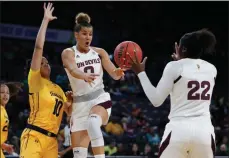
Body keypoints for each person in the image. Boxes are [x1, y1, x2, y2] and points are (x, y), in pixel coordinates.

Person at [129, 29, 217, 158]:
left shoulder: (174, 67)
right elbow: (191, 72)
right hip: (205, 133)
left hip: (179, 131)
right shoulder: (211, 69)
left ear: (184, 49)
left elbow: (156, 100)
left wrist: (140, 73)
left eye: (179, 47)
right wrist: (181, 61)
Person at [62, 13, 124, 158]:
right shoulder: (68, 53)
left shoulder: (100, 52)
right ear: (76, 35)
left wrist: (119, 72)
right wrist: (83, 75)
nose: (88, 37)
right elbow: (72, 69)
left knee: (93, 122)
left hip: (99, 98)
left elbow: (114, 73)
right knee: (79, 154)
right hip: (79, 105)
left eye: (90, 34)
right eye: (84, 34)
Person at [20, 3, 72, 158]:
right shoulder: (35, 80)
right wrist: (45, 21)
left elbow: (69, 113)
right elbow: (38, 48)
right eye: (41, 63)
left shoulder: (58, 89)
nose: (46, 64)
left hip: (52, 142)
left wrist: (71, 102)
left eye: (46, 62)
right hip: (34, 136)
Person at [1, 82, 22, 158]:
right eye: (2, 92)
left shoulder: (3, 110)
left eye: (7, 93)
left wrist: (4, 145)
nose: (5, 95)